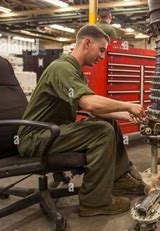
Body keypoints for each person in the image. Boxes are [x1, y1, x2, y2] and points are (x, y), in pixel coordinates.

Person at [17, 24, 145, 217]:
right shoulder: (62, 68)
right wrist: (128, 105)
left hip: (52, 132)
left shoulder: (74, 71)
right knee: (102, 131)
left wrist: (125, 115)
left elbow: (89, 107)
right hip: (36, 138)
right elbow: (90, 104)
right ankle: (95, 203)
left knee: (109, 124)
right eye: (101, 50)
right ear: (86, 43)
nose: (102, 56)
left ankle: (118, 181)